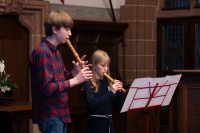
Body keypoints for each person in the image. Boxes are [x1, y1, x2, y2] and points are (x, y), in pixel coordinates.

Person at [29, 10, 93, 133]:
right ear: (55, 29)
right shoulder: (42, 52)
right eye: (67, 29)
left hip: (60, 112)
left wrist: (74, 73)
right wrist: (75, 80)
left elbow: (60, 80)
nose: (70, 33)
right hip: (50, 114)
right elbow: (46, 88)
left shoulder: (55, 51)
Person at [84, 50, 124, 133]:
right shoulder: (89, 83)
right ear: (94, 65)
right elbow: (92, 104)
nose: (106, 69)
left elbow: (118, 108)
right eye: (103, 66)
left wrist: (119, 92)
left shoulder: (108, 83)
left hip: (108, 123)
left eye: (107, 66)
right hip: (96, 125)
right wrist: (111, 93)